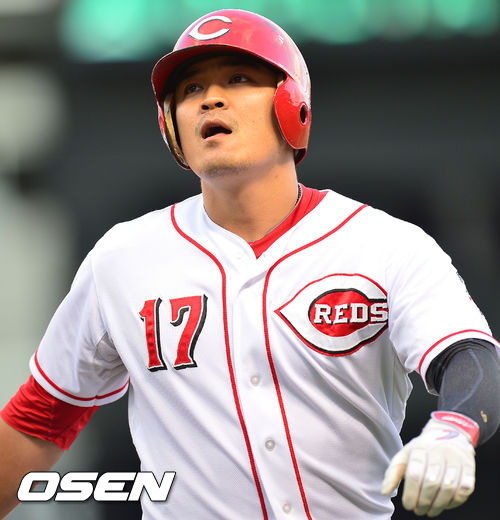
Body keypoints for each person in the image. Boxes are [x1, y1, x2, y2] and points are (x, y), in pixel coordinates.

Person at [0, 8, 499, 520]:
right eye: (191, 89)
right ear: (170, 125)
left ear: (292, 104)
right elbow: (39, 418)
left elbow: (470, 356)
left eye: (238, 79)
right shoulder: (122, 259)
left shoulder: (384, 244)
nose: (210, 99)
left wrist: (453, 430)